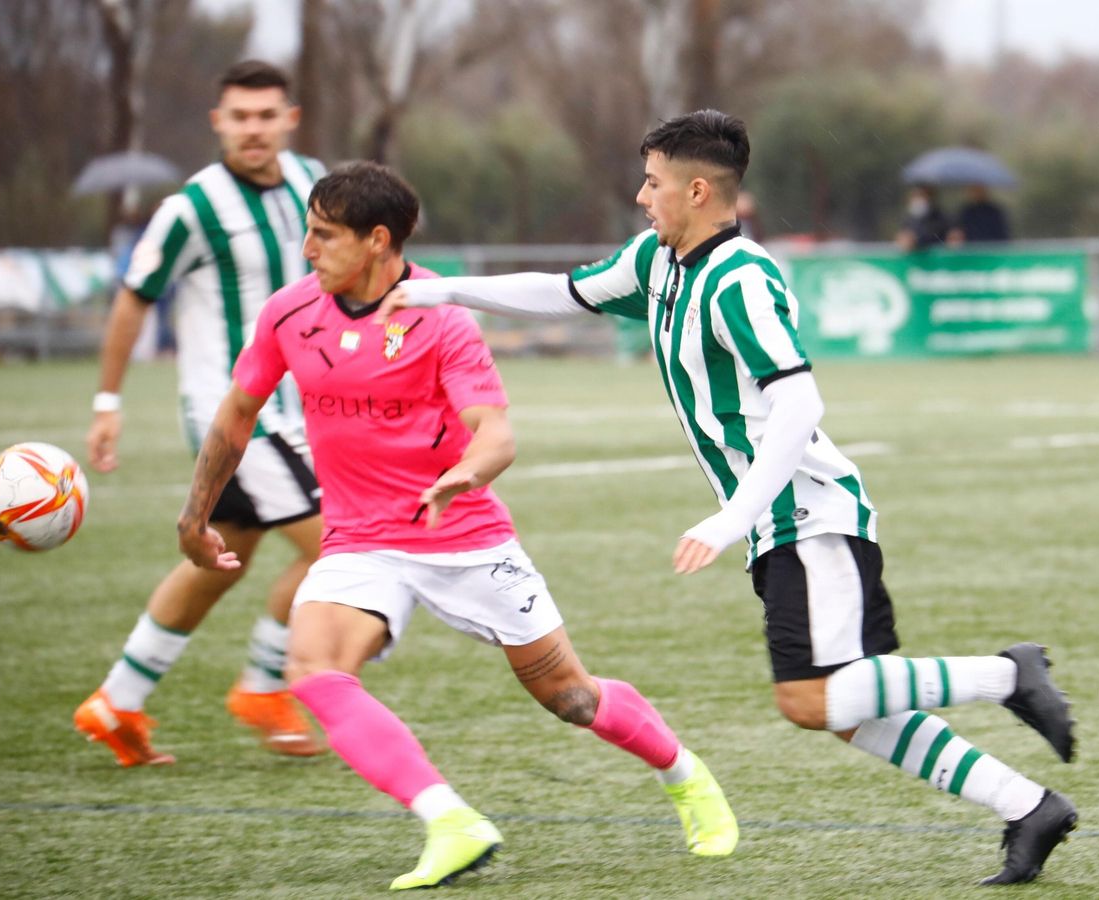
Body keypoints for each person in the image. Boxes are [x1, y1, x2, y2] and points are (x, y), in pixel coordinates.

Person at [382, 110, 1079, 886]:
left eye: (653, 183)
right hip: (778, 525)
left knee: (811, 700)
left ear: (699, 190)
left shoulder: (741, 278)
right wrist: (434, 292)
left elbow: (800, 403)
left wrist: (733, 515)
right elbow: (561, 291)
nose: (643, 197)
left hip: (810, 514)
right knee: (847, 715)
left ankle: (1011, 675)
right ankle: (1028, 807)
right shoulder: (659, 260)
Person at [177, 161, 737, 890]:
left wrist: (466, 472)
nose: (308, 251)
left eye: (323, 236)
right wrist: (194, 518)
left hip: (465, 538)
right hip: (361, 539)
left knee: (570, 697)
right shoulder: (289, 313)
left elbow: (496, 433)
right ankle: (451, 820)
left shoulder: (440, 318)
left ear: (378, 240)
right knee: (312, 667)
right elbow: (237, 414)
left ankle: (687, 777)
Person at [75, 60, 328, 766]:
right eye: (240, 116)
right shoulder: (193, 206)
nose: (254, 128)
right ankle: (265, 684)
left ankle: (116, 700)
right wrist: (107, 402)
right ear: (219, 122)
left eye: (266, 114)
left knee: (221, 561)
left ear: (289, 118)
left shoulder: (315, 184)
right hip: (240, 417)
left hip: (303, 411)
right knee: (343, 544)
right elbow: (135, 296)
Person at [894, 184, 951, 251]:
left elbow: (936, 236)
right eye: (915, 196)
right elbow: (903, 234)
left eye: (921, 195)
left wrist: (916, 240)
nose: (918, 199)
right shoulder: (908, 219)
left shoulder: (939, 217)